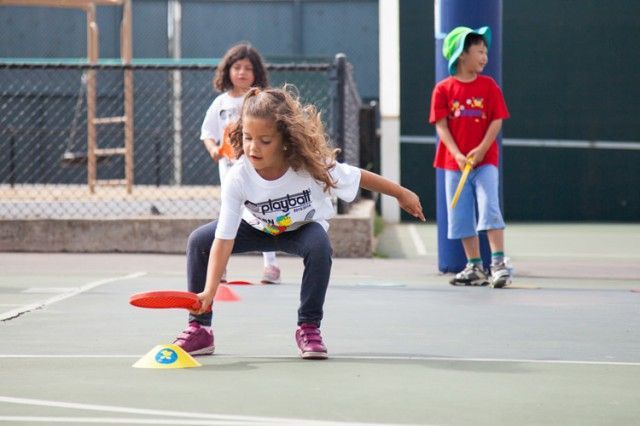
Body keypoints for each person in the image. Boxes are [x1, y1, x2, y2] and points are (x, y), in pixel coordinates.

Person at [175, 86, 426, 359]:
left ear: (285, 140)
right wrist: (210, 290)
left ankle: (308, 326)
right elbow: (224, 238)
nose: (253, 147)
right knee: (200, 240)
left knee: (319, 246)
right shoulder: (239, 177)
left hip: (301, 229)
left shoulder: (309, 165)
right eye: (247, 137)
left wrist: (401, 193)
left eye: (265, 140)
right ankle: (200, 329)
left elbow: (359, 176)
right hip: (256, 227)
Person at [429, 26, 511, 288]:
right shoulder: (443, 90)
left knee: (490, 208)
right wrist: (457, 153)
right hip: (454, 165)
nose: (485, 56)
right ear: (461, 55)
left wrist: (482, 149)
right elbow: (441, 125)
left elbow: (497, 120)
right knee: (461, 214)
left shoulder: (489, 87)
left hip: (486, 162)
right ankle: (474, 266)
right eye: (479, 50)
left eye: (486, 51)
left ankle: (498, 264)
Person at [200, 42, 281, 284]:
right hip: (229, 170)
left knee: (262, 214)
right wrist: (214, 148)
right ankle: (220, 267)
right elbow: (207, 133)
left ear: (256, 73)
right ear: (228, 71)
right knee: (230, 215)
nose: (242, 72)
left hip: (257, 170)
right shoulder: (221, 103)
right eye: (237, 67)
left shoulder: (260, 101)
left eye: (248, 68)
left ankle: (271, 266)